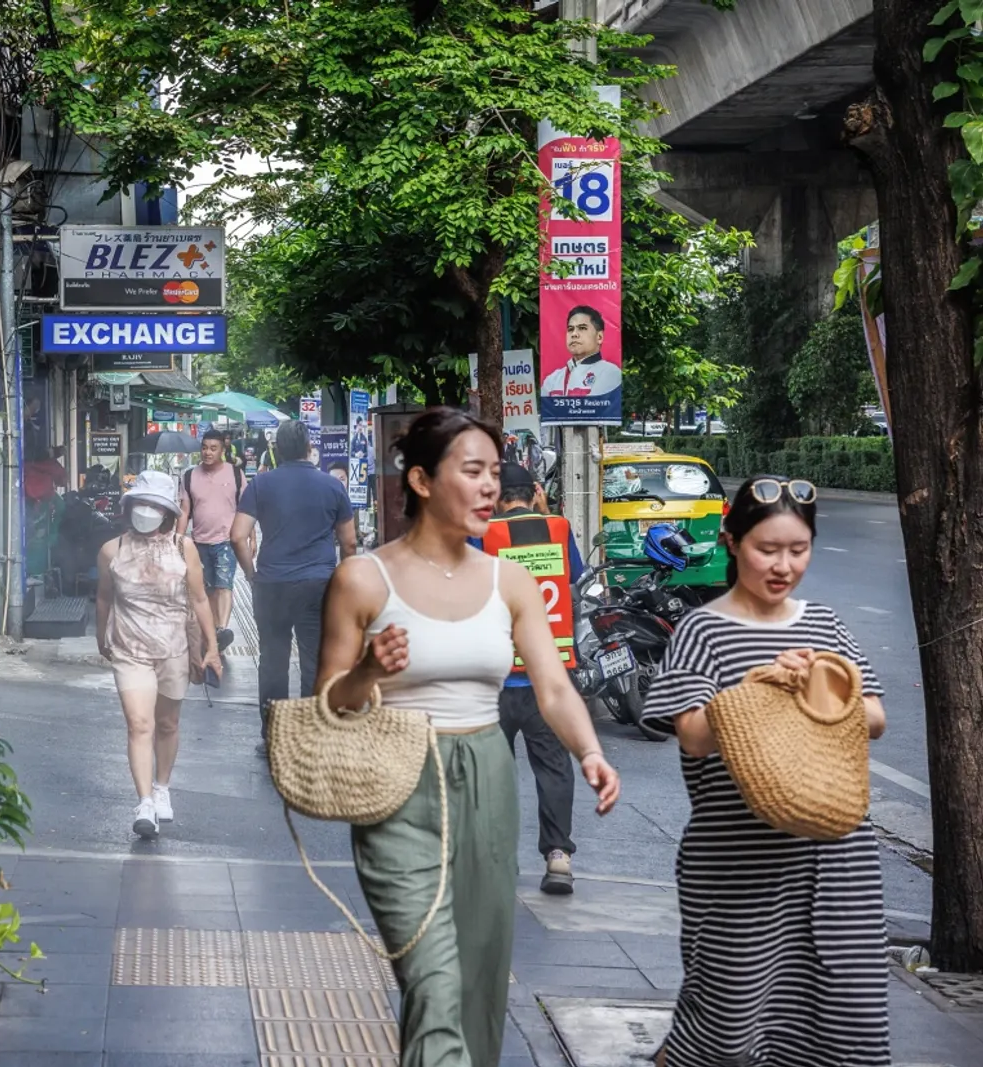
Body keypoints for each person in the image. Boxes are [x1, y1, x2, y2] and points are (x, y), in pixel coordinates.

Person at [315, 408, 619, 1067]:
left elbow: (555, 686)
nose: (489, 486)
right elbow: (329, 702)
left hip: (487, 776)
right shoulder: (363, 579)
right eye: (472, 471)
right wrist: (368, 668)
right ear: (422, 480)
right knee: (434, 978)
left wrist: (589, 751)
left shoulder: (508, 580)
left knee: (479, 981)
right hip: (397, 783)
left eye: (493, 472)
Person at [641, 475, 889, 1067]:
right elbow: (694, 738)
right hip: (736, 865)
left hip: (836, 861)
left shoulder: (824, 625)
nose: (783, 566)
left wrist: (820, 683)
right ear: (731, 542)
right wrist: (754, 687)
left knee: (843, 1024)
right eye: (767, 550)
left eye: (797, 550)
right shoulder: (703, 629)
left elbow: (875, 718)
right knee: (724, 1030)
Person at [469, 464, 586, 895]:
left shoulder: (484, 534)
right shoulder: (558, 527)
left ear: (497, 496)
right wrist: (545, 508)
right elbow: (571, 578)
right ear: (535, 492)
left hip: (497, 676)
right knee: (553, 767)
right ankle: (558, 856)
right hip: (549, 677)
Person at [95, 470, 223, 839]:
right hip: (130, 648)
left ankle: (163, 787)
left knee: (166, 725)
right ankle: (144, 802)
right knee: (139, 724)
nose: (146, 511)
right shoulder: (111, 550)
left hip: (173, 649)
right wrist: (101, 635)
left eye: (154, 505)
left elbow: (199, 600)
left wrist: (211, 647)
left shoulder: (184, 548)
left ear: (167, 511)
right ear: (130, 507)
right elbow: (104, 597)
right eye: (141, 503)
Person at [230, 420, 355, 748]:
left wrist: (250, 574)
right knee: (315, 660)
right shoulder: (332, 486)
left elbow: (237, 536)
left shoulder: (261, 484)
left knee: (273, 660)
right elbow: (350, 542)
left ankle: (273, 736)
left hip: (272, 583)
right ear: (307, 448)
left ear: (278, 449)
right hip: (319, 584)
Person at [178, 429, 249, 648]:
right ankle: (214, 631)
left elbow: (246, 509)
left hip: (226, 540)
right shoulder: (189, 476)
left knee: (223, 585)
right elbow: (184, 510)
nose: (208, 452)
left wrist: (250, 538)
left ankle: (221, 630)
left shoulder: (236, 474)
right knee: (205, 589)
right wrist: (178, 540)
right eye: (205, 447)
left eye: (213, 448)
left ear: (222, 450)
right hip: (199, 541)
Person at [541, 306, 622, 398]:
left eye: (582, 328)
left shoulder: (610, 373)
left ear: (599, 337)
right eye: (570, 329)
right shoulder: (552, 380)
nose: (574, 334)